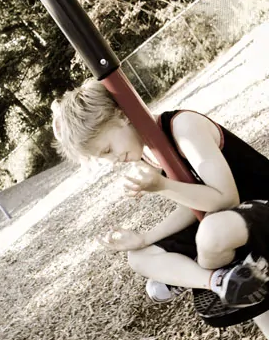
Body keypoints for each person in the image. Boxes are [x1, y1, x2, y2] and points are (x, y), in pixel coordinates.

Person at [52, 79, 269, 307]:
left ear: (121, 115)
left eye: (108, 149)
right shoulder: (148, 152)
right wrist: (144, 238)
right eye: (103, 157)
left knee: (210, 231)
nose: (112, 161)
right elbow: (193, 205)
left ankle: (199, 268)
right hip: (227, 220)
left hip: (259, 205)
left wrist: (163, 186)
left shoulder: (182, 127)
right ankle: (220, 281)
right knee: (138, 256)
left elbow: (226, 199)